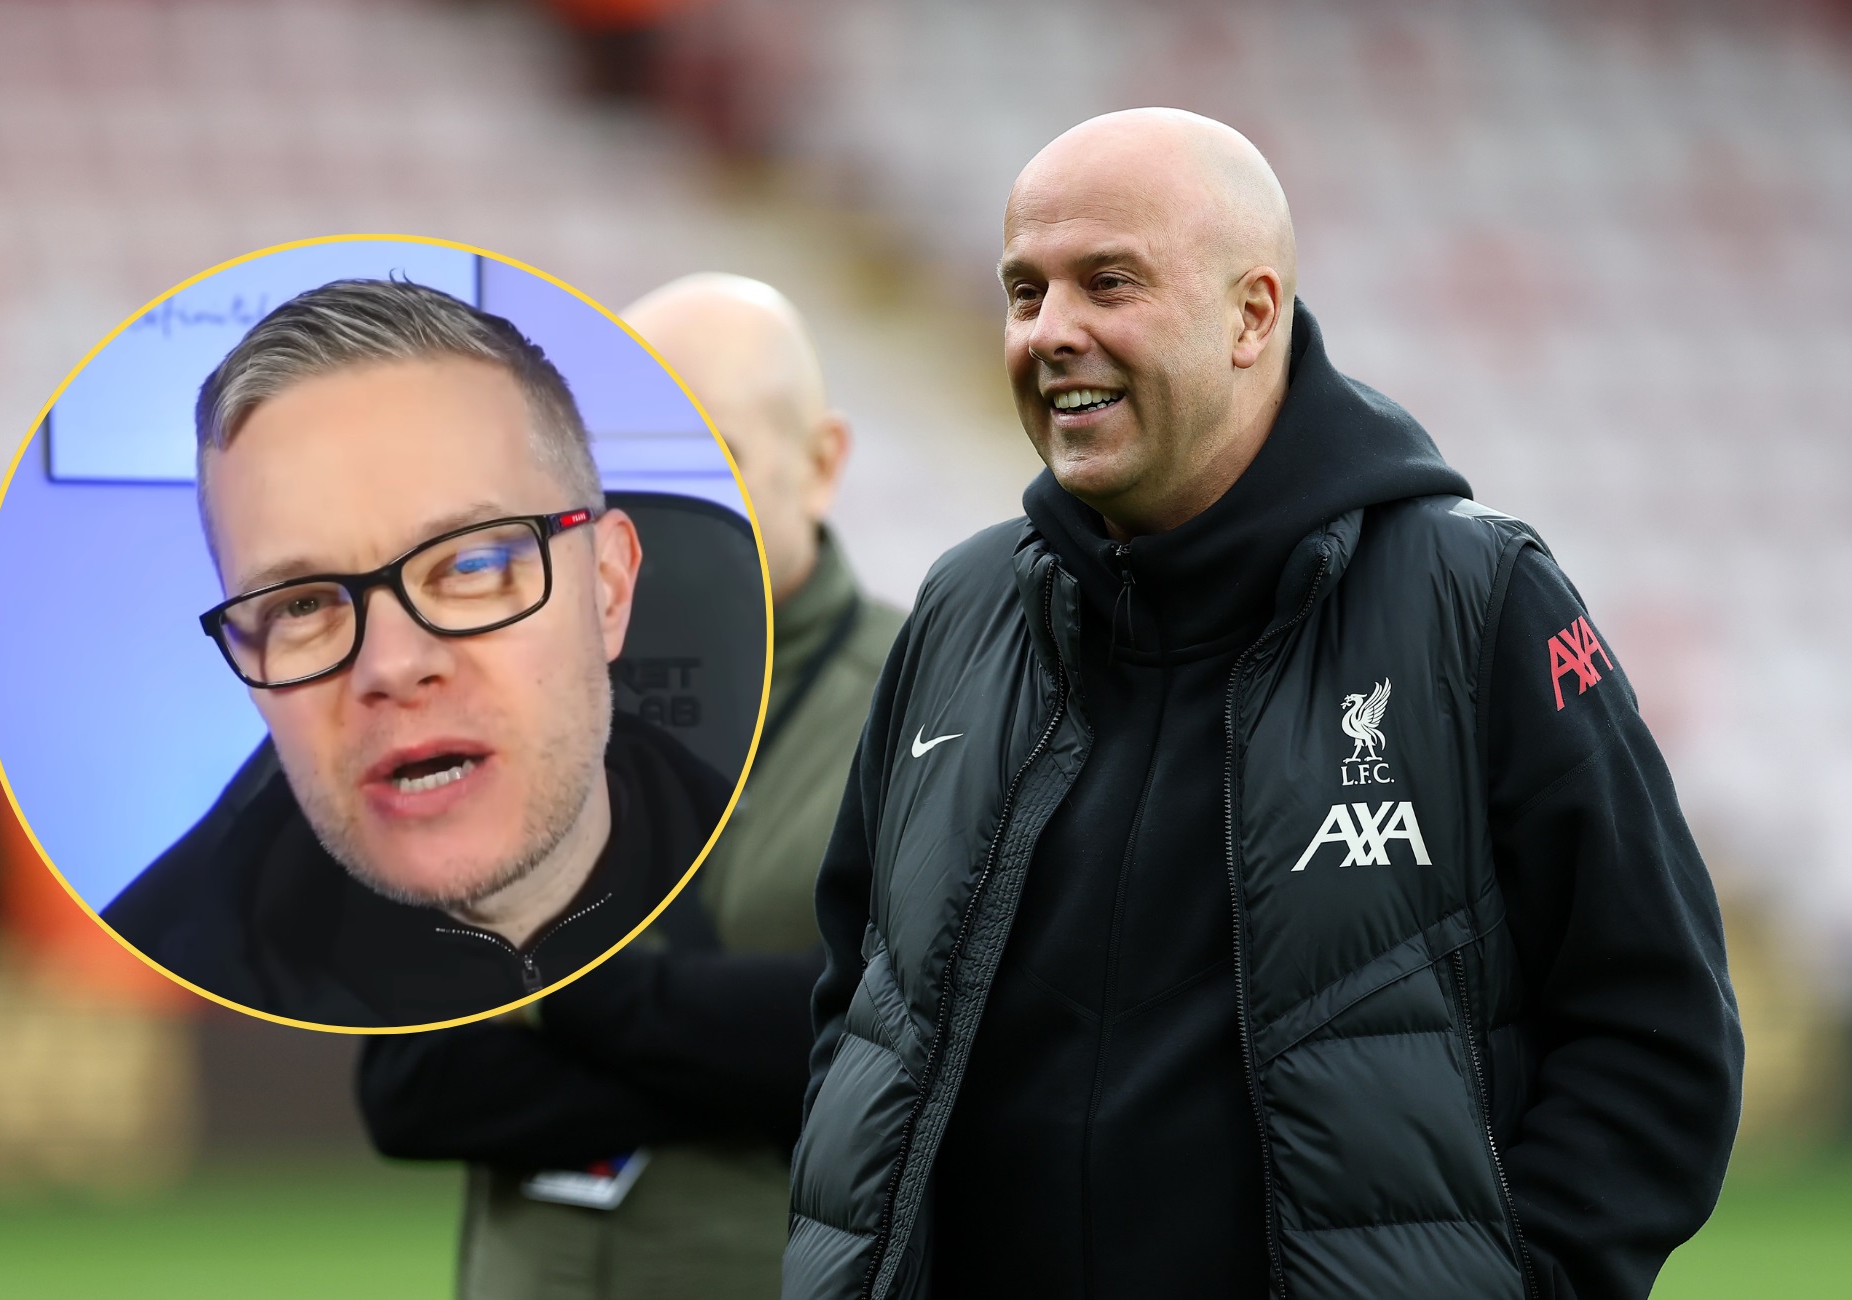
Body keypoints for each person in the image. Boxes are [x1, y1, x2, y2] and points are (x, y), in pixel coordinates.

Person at [786, 109, 1743, 1300]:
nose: (1051, 333)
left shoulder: (1474, 600)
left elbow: (1653, 1031)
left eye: (1107, 282)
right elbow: (858, 1006)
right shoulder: (961, 605)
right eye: (1023, 292)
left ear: (1250, 314)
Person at [358, 274, 903, 1297]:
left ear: (821, 465)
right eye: (630, 472)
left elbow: (910, 1057)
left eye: (717, 460)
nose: (662, 517)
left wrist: (563, 985)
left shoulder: (932, 706)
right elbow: (409, 1088)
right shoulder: (499, 705)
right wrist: (742, 1047)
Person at [104, 278, 731, 1028]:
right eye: (302, 605)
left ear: (607, 588)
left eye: (468, 566)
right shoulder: (156, 996)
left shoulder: (827, 900)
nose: (393, 665)